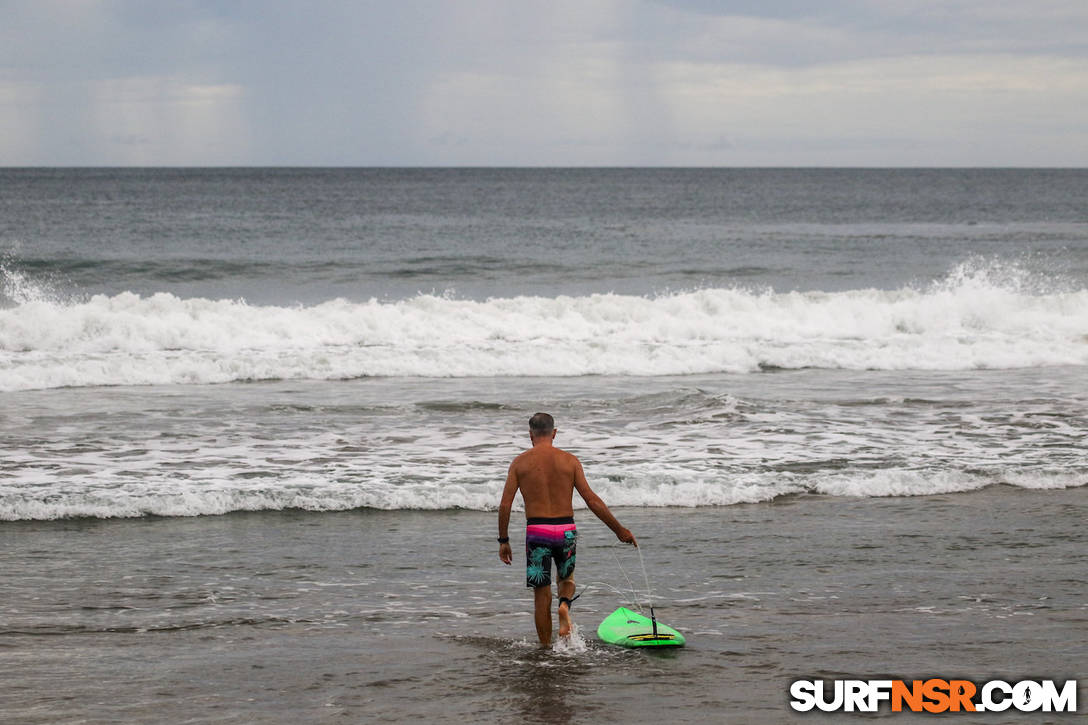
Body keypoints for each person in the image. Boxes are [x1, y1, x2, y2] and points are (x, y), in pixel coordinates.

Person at [498, 412, 637, 646]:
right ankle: (564, 604)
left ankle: (545, 648)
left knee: (541, 594)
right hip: (565, 530)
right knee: (566, 579)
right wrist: (619, 530)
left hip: (538, 532)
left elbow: (505, 505)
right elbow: (592, 500)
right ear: (554, 433)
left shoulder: (520, 463)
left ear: (530, 435)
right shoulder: (570, 461)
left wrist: (503, 540)